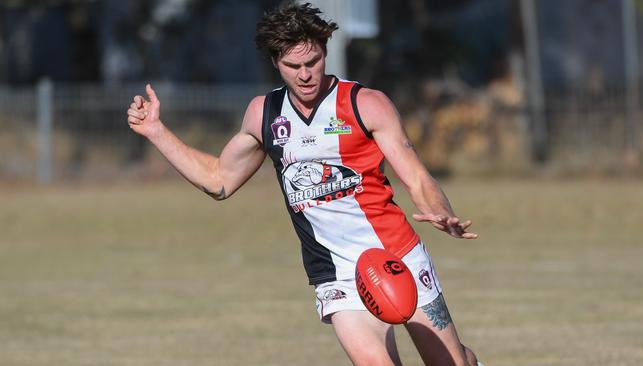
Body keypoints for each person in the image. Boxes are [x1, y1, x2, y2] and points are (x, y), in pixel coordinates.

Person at [127, 2, 481, 365]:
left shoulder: (366, 105)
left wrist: (440, 211)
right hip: (335, 273)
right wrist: (156, 131)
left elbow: (417, 176)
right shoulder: (263, 114)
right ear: (276, 63)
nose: (305, 74)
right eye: (293, 66)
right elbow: (218, 181)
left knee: (450, 363)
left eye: (312, 62)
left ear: (325, 53)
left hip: (397, 257)